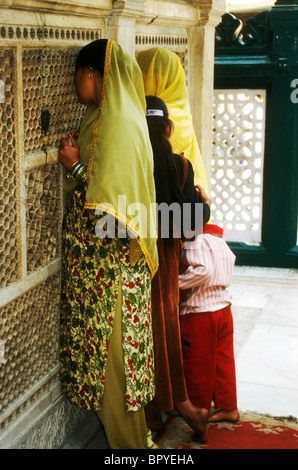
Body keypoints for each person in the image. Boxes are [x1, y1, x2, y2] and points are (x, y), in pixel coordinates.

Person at [58, 38, 159, 449]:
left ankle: (135, 452)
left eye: (77, 74)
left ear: (94, 75)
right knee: (114, 370)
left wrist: (75, 165)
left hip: (113, 276)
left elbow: (113, 219)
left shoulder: (118, 127)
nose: (73, 83)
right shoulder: (104, 118)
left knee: (115, 371)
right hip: (104, 275)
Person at [144, 95, 211, 443]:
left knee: (142, 335)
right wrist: (204, 205)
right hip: (167, 260)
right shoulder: (181, 166)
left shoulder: (133, 165)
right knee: (166, 331)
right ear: (169, 129)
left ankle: (153, 412)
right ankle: (186, 408)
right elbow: (189, 227)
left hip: (135, 259)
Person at [179, 223, 239, 423]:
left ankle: (198, 410)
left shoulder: (196, 240)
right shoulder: (219, 241)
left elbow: (204, 271)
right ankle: (229, 407)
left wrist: (174, 281)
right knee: (224, 361)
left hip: (201, 312)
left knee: (198, 363)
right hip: (223, 308)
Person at [137, 47, 208, 191]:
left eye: (147, 74)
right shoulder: (181, 110)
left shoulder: (152, 115)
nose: (143, 79)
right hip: (189, 196)